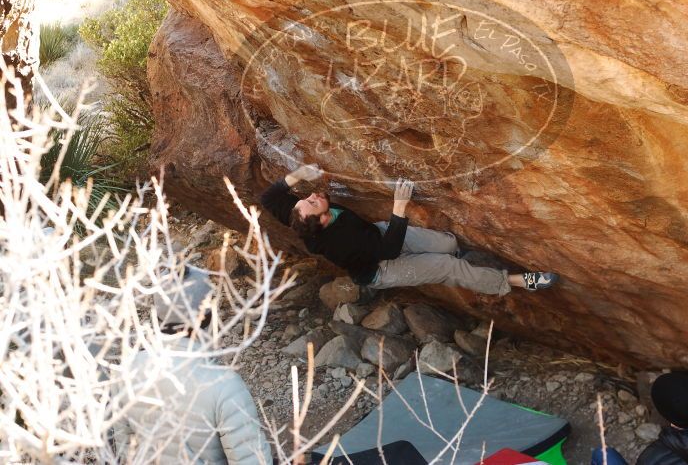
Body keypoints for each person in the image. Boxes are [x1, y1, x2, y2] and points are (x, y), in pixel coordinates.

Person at [260, 164, 560, 295]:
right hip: (381, 266)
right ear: (322, 221)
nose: (312, 196)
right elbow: (389, 250)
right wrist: (399, 207)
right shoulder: (339, 243)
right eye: (313, 203)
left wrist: (299, 174)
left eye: (306, 198)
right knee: (447, 266)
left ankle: (465, 258)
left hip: (377, 236)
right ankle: (517, 282)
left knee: (446, 245)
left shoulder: (296, 215)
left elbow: (269, 197)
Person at [113, 265, 272, 464]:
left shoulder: (127, 370)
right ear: (206, 316)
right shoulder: (225, 385)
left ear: (158, 317)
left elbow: (124, 454)